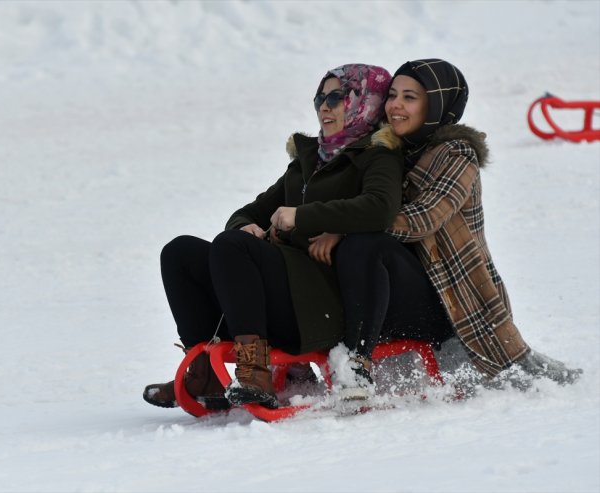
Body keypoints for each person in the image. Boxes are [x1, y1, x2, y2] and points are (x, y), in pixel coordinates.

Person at [143, 63, 403, 410]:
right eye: (319, 98)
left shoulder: (376, 156)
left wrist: (302, 217)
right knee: (180, 252)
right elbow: (249, 211)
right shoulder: (310, 160)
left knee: (233, 248)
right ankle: (204, 369)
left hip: (321, 303)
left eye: (337, 97)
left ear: (365, 103)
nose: (324, 106)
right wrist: (244, 225)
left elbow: (379, 208)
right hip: (284, 291)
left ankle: (256, 374)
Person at [329, 58, 582, 399]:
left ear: (434, 105)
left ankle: (361, 363)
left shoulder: (457, 154)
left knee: (366, 243)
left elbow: (423, 217)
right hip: (391, 288)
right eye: (392, 95)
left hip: (451, 301)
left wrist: (342, 225)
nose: (395, 106)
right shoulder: (386, 151)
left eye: (410, 97)